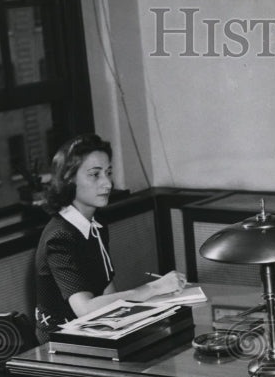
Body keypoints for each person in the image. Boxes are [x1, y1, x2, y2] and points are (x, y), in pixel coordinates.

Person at [34, 134, 185, 343]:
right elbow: (85, 309)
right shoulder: (59, 238)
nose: (107, 183)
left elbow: (107, 290)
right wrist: (154, 288)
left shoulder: (96, 225)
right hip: (61, 342)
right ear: (69, 179)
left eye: (108, 172)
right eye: (95, 175)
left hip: (96, 330)